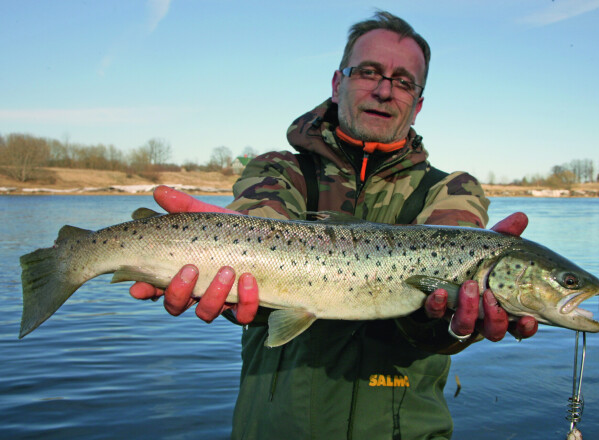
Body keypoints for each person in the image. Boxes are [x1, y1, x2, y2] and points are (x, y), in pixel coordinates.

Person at [130, 11, 538, 439]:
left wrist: (454, 323)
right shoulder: (278, 170)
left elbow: (442, 320)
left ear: (417, 104)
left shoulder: (453, 190)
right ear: (337, 82)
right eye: (369, 72)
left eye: (403, 81)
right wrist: (220, 251)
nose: (384, 90)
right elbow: (258, 228)